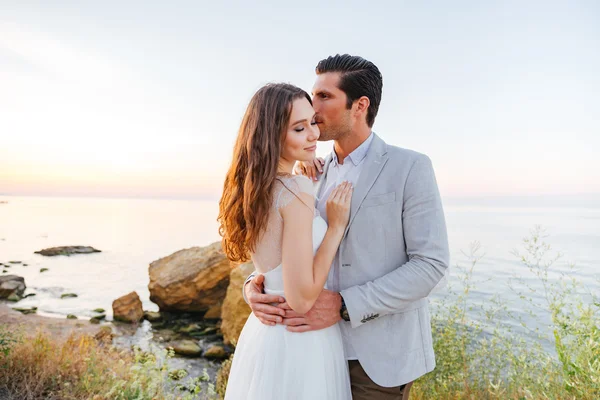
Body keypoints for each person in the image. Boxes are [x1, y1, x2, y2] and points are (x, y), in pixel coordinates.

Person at [244, 54, 450, 399]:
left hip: (376, 360)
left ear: (360, 105)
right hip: (312, 351)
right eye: (313, 96)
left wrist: (343, 304)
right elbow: (286, 246)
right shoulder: (308, 173)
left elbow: (431, 266)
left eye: (325, 97)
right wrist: (256, 285)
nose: (313, 107)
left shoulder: (410, 167)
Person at [218, 82, 354, 399]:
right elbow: (302, 300)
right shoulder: (295, 191)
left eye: (312, 123)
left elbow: (273, 260)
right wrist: (335, 228)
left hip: (263, 337)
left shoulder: (253, 189)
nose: (313, 135)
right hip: (299, 341)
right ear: (272, 135)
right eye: (298, 128)